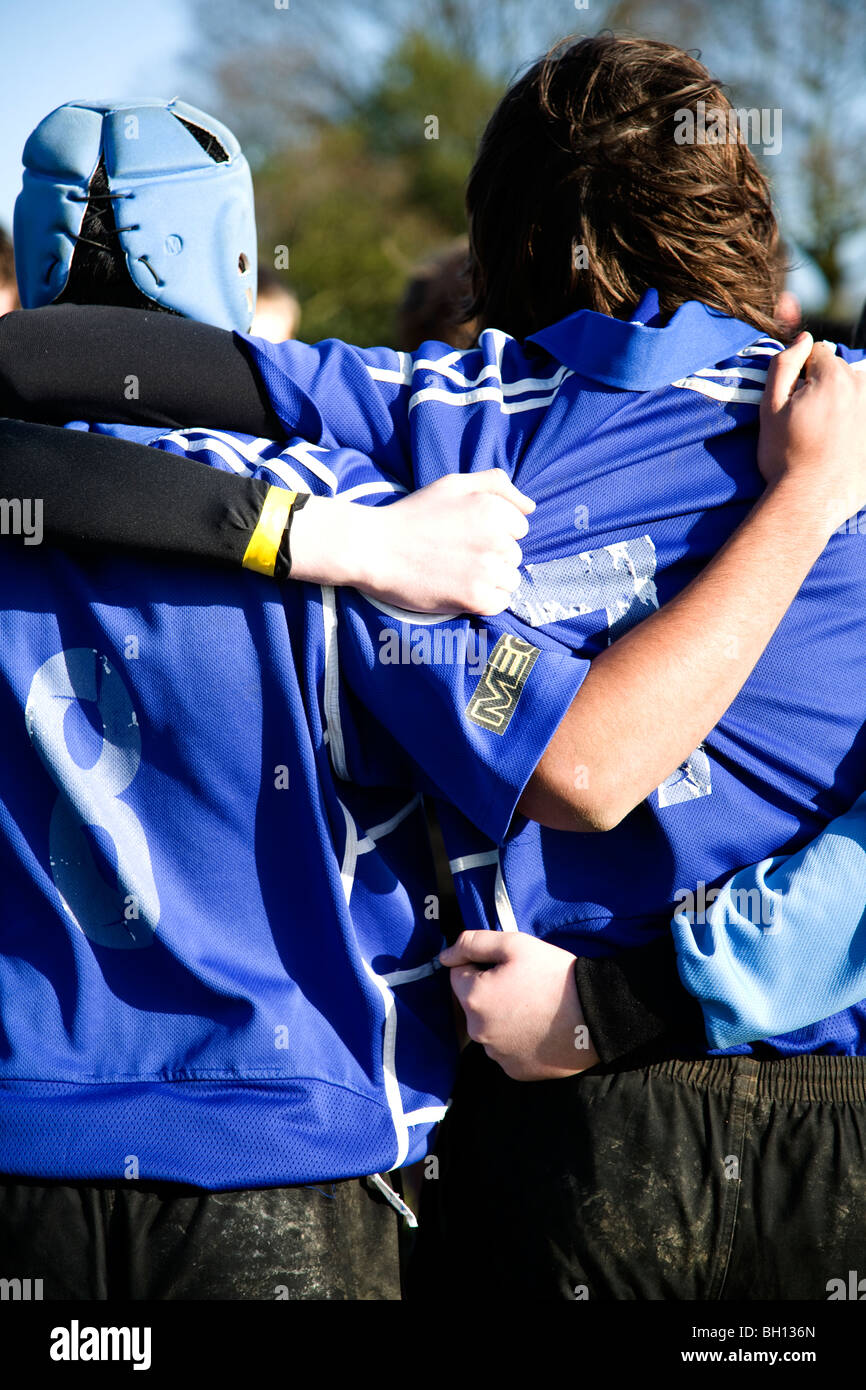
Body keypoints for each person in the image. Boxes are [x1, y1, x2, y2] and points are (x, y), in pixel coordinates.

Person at [7, 34, 866, 1300]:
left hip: (560, 1123)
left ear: (497, 239)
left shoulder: (432, 418)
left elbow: (85, 368)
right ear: (744, 215)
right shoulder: (839, 428)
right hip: (818, 1116)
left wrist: (629, 1003)